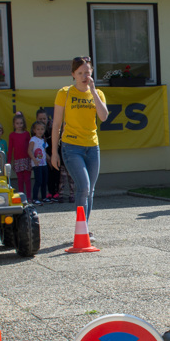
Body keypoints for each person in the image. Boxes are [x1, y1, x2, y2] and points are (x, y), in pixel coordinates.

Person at [52, 57, 109, 221]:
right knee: (83, 187)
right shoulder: (64, 93)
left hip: (92, 147)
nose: (84, 77)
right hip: (71, 147)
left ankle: (85, 227)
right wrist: (54, 153)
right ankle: (81, 228)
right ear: (73, 74)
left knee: (90, 190)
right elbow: (56, 125)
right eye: (80, 73)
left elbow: (103, 117)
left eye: (87, 73)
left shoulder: (98, 93)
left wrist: (93, 91)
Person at [7, 111, 32, 201]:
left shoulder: (26, 134)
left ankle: (29, 197)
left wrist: (31, 160)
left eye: (21, 123)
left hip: (27, 159)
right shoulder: (12, 135)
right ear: (14, 124)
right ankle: (22, 197)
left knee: (27, 179)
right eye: (17, 123)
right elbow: (10, 149)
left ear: (23, 123)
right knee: (20, 180)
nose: (19, 125)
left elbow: (30, 147)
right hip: (17, 160)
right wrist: (9, 162)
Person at [29, 119, 50, 203]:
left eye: (42, 129)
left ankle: (44, 197)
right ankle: (35, 198)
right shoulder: (33, 139)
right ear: (34, 130)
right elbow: (29, 150)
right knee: (38, 181)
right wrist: (34, 159)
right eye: (38, 129)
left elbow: (44, 151)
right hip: (37, 164)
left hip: (44, 164)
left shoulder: (43, 140)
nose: (40, 131)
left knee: (44, 181)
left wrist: (50, 159)